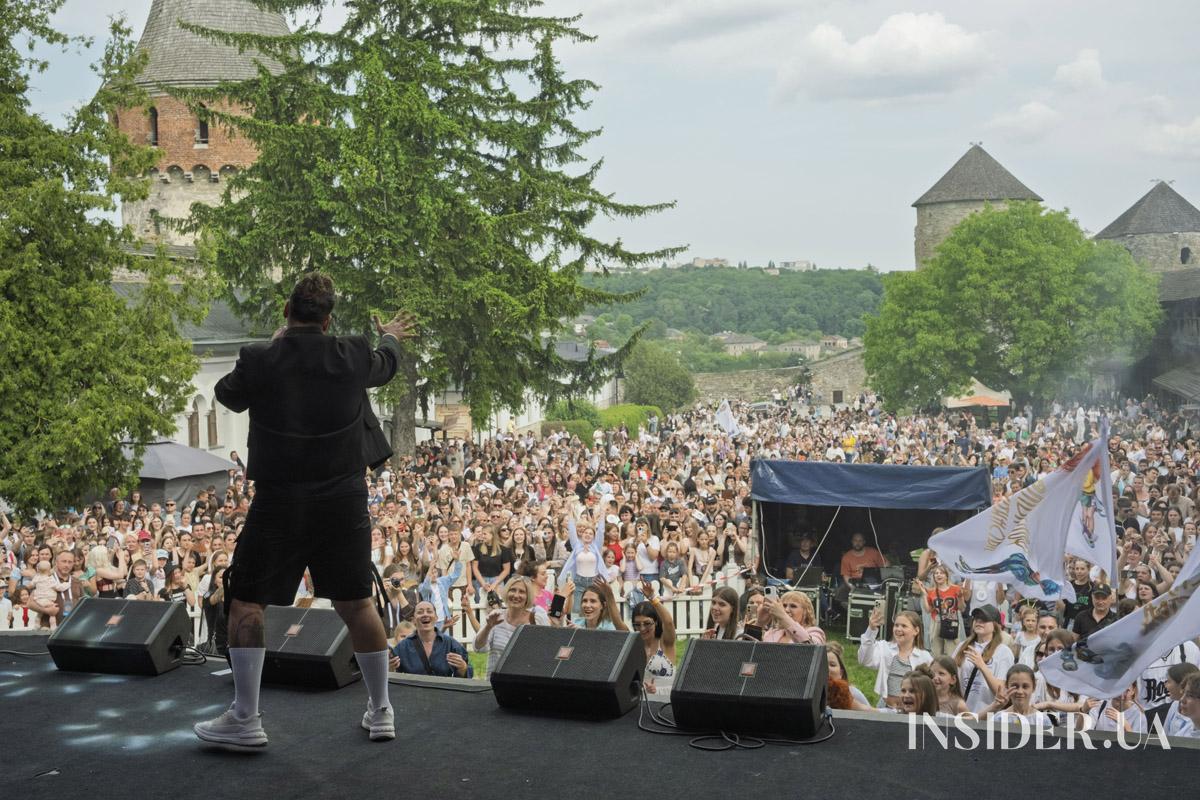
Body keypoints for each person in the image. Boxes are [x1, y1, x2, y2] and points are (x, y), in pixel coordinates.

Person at [194, 273, 415, 749]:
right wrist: (391, 335)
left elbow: (227, 396)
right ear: (329, 319)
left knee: (247, 601)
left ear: (286, 313)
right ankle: (381, 712)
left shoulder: (261, 358)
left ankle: (246, 718)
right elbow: (387, 364)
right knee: (356, 602)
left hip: (281, 500)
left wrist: (273, 347)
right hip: (343, 497)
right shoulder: (353, 353)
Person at [858, 605, 932, 709]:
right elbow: (864, 660)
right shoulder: (884, 648)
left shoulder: (925, 657)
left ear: (916, 631)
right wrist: (871, 629)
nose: (898, 629)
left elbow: (930, 687)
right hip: (885, 707)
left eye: (904, 626)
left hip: (911, 710)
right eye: (896, 625)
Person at [474, 575, 546, 676]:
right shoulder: (496, 616)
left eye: (521, 592)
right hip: (496, 685)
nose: (516, 595)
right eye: (513, 590)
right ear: (506, 592)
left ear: (528, 596)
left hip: (527, 684)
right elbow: (479, 649)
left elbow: (546, 653)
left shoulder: (537, 620)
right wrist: (488, 627)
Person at [954, 604, 1015, 714]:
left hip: (987, 715)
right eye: (976, 619)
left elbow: (1000, 692)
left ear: (995, 625)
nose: (979, 622)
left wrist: (982, 666)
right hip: (961, 713)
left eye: (984, 619)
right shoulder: (962, 646)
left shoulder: (1003, 652)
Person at [392, 601, 471, 678]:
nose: (425, 614)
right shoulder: (402, 647)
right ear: (414, 620)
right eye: (420, 612)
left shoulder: (450, 644)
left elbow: (467, 674)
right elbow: (391, 676)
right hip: (413, 691)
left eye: (429, 611)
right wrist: (390, 668)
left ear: (436, 618)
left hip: (443, 690)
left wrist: (463, 668)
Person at [631, 581, 677, 696]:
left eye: (647, 623)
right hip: (642, 706)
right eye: (637, 624)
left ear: (656, 622)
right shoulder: (632, 646)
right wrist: (609, 597)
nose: (642, 628)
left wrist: (653, 598)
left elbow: (669, 622)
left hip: (667, 703)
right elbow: (620, 626)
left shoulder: (665, 642)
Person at [984, 664, 1054, 730]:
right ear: (1007, 686)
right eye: (1015, 686)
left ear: (1034, 687)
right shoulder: (999, 718)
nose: (1020, 691)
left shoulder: (1042, 720)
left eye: (1025, 686)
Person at [759, 591, 825, 644]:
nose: (786, 610)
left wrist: (783, 616)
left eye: (793, 606)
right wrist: (759, 623)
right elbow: (750, 650)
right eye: (784, 606)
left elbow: (811, 648)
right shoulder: (771, 633)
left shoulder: (815, 632)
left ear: (805, 612)